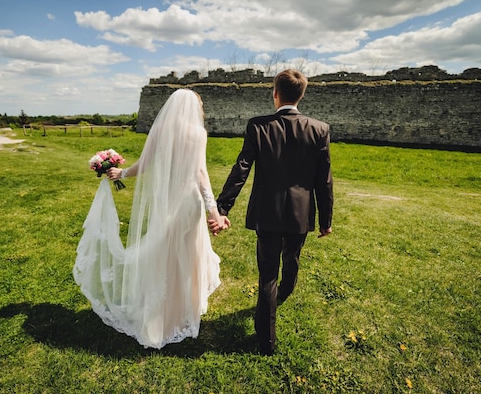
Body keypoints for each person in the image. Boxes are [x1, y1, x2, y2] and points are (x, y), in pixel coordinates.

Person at [74, 89, 227, 349]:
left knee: (165, 252)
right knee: (188, 252)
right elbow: (201, 173)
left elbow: (144, 164)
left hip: (167, 200)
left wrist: (122, 173)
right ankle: (183, 307)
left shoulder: (160, 130)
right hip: (190, 202)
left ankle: (165, 310)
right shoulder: (198, 134)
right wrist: (214, 212)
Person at [209, 69, 333, 355]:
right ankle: (286, 291)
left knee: (267, 275)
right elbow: (323, 179)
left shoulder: (258, 126)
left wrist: (223, 206)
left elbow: (241, 168)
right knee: (292, 258)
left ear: (275, 94)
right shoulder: (319, 129)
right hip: (300, 213)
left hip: (267, 212)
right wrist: (326, 221)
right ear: (301, 95)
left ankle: (266, 341)